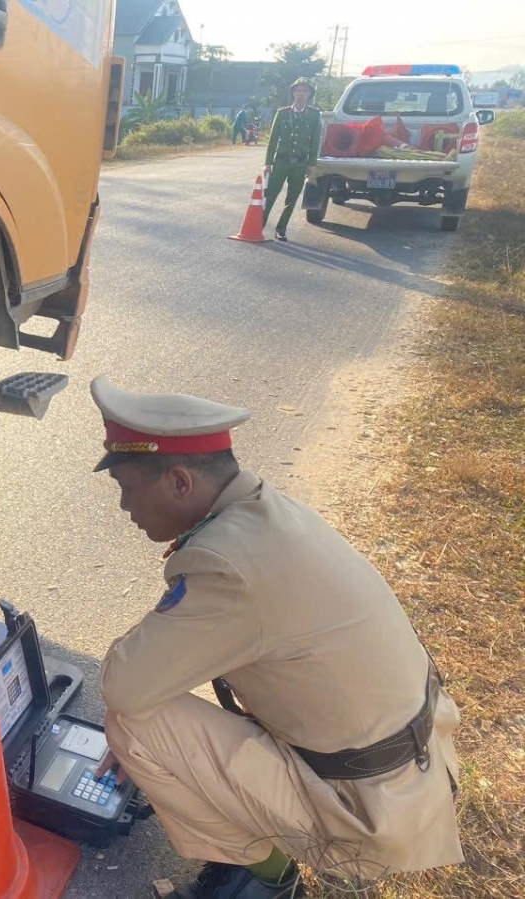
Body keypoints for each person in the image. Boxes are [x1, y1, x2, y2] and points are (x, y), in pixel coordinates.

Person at [89, 376, 463, 899]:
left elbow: (124, 686)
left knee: (134, 726)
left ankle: (268, 881)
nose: (125, 506)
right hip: (415, 766)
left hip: (369, 813)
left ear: (179, 482)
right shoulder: (268, 513)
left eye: (128, 488)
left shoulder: (227, 564)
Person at [263, 78, 322, 241]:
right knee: (270, 195)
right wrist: (268, 162)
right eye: (298, 90)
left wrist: (311, 164)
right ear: (293, 93)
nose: (301, 94)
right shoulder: (282, 114)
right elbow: (273, 139)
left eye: (305, 91)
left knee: (292, 198)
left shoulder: (315, 115)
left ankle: (281, 229)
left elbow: (315, 141)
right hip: (281, 162)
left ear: (309, 94)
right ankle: (259, 224)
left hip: (300, 164)